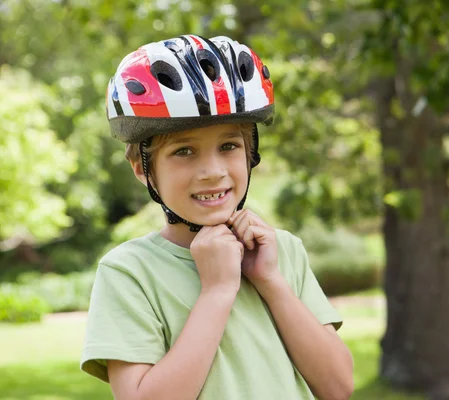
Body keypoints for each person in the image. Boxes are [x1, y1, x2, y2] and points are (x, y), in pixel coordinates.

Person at [79, 34, 354, 400]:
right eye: (184, 151)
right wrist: (218, 290)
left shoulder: (282, 251)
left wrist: (270, 279)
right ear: (141, 167)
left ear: (250, 154)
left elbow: (338, 387)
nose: (212, 171)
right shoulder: (129, 272)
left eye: (228, 146)